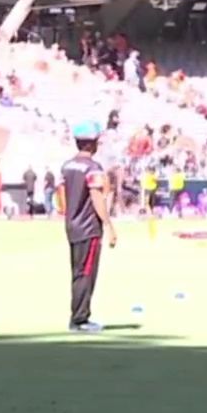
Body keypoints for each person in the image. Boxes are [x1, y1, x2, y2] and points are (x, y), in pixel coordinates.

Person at [58, 120, 117, 332]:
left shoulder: (67, 166)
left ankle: (78, 316)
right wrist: (108, 225)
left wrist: (69, 213)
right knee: (86, 273)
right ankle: (80, 319)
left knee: (77, 272)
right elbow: (96, 196)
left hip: (72, 225)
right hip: (89, 227)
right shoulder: (93, 168)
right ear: (92, 144)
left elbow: (61, 195)